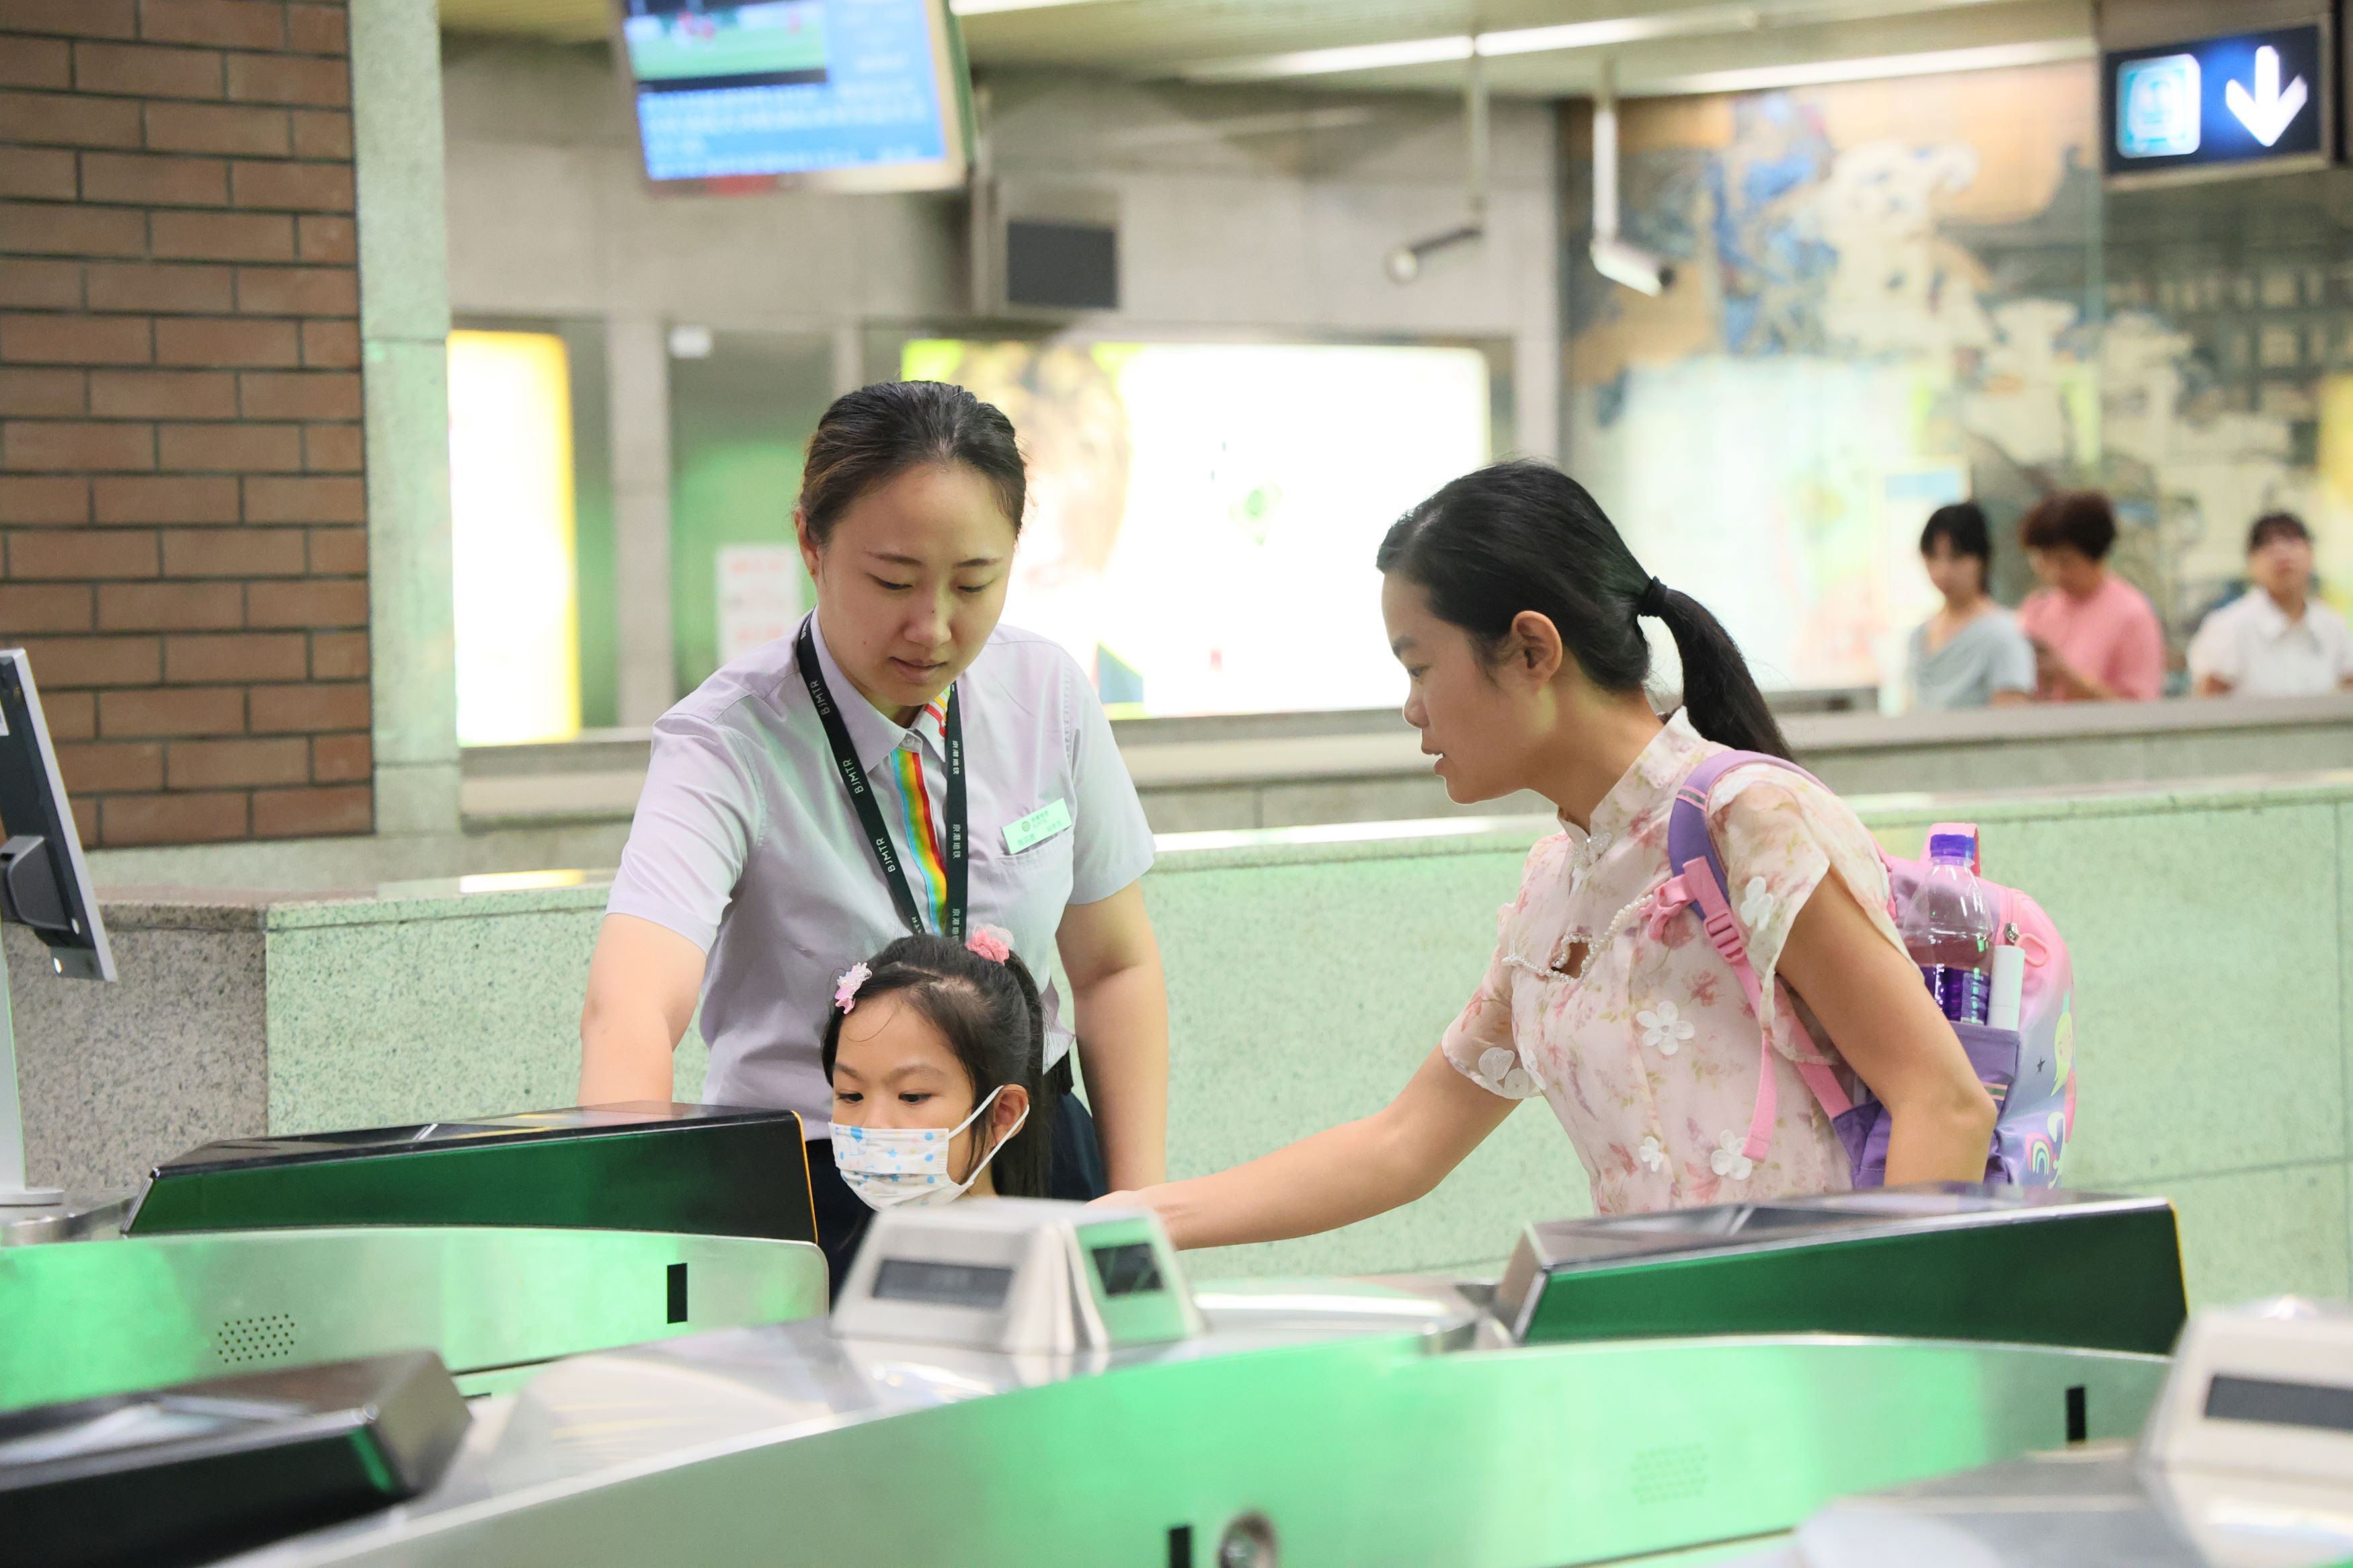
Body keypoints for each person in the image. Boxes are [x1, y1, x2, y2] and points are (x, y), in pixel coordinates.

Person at [1105, 461, 1997, 1249]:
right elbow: (1403, 1143)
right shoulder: (1555, 892)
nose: (1411, 709)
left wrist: (1878, 1365)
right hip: (1674, 1370)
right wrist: (1137, 1221)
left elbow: (1944, 1104)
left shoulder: (1750, 818)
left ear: (1532, 648)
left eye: (1419, 667)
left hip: (1816, 1372)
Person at [579, 380, 1167, 1286]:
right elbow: (631, 1006)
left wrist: (1139, 1212)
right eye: (893, 581)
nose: (932, 627)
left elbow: (1114, 966)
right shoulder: (726, 741)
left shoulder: (1048, 695)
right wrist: (633, 1249)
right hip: (823, 1182)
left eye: (974, 583)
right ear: (811, 544)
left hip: (1032, 1151)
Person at [824, 928, 1050, 1215]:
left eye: (912, 1096)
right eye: (851, 1095)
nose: (873, 1124)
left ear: (1002, 1113)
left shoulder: (1041, 1256)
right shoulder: (837, 1254)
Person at [2015, 490, 2165, 702]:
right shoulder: (2038, 608)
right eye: (2045, 561)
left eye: (2066, 562)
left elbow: (2140, 711)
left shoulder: (2132, 615)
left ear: (2097, 555)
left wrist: (2069, 679)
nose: (2055, 573)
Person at [2187, 512, 2353, 698]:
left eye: (2291, 540)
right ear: (2251, 565)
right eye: (2267, 544)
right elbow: (2208, 702)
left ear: (2311, 554)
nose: (2281, 552)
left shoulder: (2333, 626)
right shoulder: (2228, 626)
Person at [1907, 501, 2034, 710]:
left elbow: (2012, 720)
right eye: (1933, 557)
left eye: (1956, 557)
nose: (1943, 571)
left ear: (1982, 559)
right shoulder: (1919, 636)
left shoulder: (2005, 633)